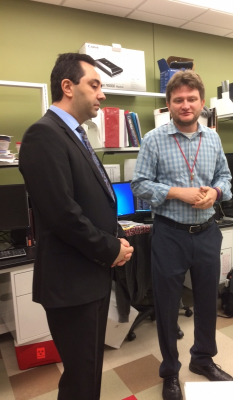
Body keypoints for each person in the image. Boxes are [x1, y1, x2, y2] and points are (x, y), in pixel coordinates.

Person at [19, 53, 134, 400]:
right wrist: (110, 248)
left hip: (90, 276)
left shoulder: (76, 135)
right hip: (72, 283)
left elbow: (91, 200)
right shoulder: (44, 135)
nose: (102, 94)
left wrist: (116, 235)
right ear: (67, 87)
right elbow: (63, 214)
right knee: (81, 381)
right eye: (95, 85)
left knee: (88, 373)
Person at [131, 70, 233, 400]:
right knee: (167, 305)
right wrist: (179, 192)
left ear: (202, 103)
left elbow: (225, 178)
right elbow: (140, 185)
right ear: (169, 104)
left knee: (207, 301)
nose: (186, 105)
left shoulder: (213, 138)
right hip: (170, 235)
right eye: (179, 100)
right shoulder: (153, 139)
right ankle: (170, 372)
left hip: (206, 232)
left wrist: (215, 194)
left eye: (192, 99)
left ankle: (203, 360)